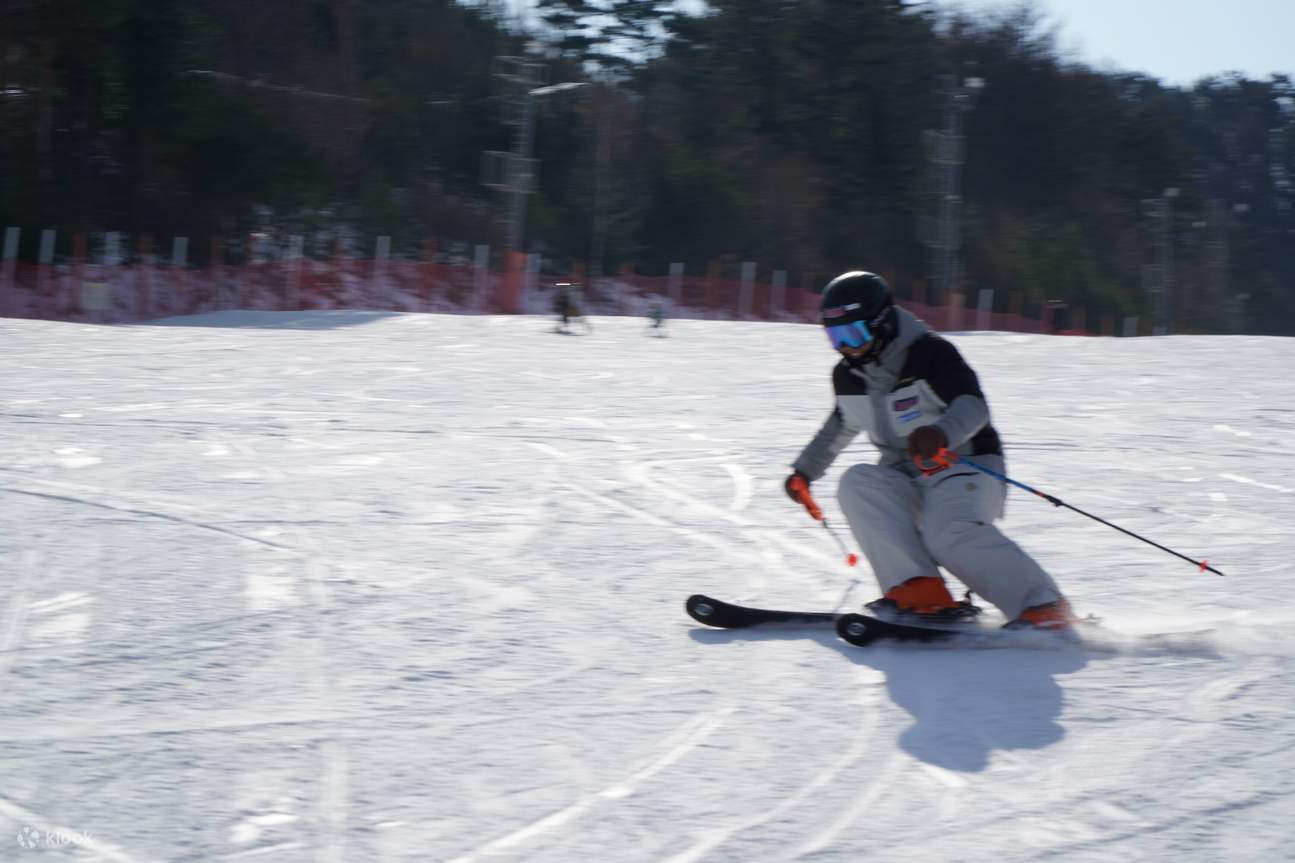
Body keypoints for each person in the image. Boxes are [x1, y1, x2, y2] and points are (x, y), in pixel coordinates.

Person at [783, 270, 1075, 630]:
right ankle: (919, 591)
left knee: (947, 533)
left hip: (963, 465)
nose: (845, 346)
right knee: (857, 483)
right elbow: (840, 425)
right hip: (905, 475)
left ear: (882, 324)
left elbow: (973, 406)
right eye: (834, 337)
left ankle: (1044, 606)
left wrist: (940, 434)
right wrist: (804, 472)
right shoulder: (848, 375)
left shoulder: (930, 354)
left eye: (853, 334)